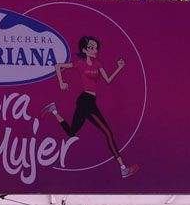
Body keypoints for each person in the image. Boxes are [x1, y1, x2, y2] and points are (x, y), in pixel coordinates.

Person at [44, 34, 138, 178]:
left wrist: (119, 68)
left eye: (96, 47)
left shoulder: (98, 64)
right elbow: (58, 66)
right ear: (84, 50)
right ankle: (123, 168)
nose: (95, 50)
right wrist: (61, 82)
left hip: (89, 101)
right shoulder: (80, 63)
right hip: (85, 101)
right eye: (91, 47)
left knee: (71, 132)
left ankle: (54, 110)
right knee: (108, 133)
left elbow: (108, 80)